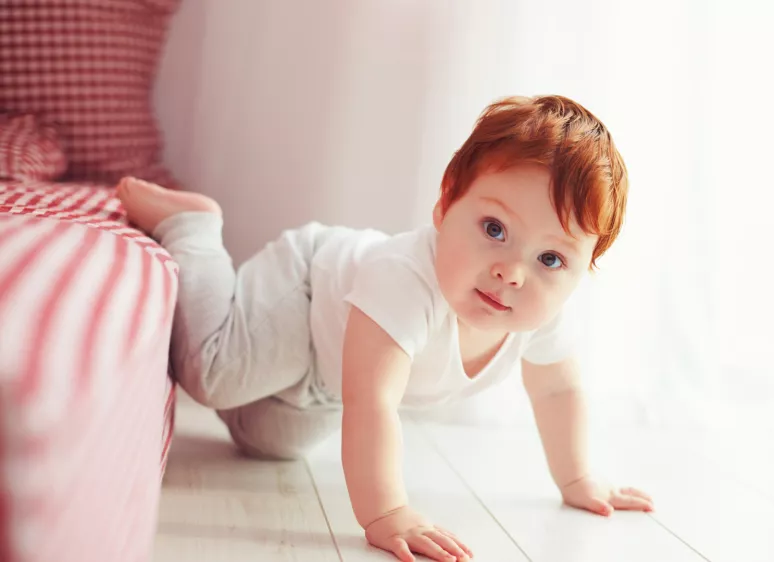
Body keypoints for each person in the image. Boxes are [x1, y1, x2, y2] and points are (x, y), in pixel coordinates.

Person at [118, 94, 653, 562]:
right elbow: (372, 401)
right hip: (305, 294)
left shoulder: (541, 319)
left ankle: (264, 377)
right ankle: (193, 227)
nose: (512, 272)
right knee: (215, 374)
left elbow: (558, 389)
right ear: (446, 202)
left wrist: (578, 479)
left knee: (271, 442)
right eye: (494, 229)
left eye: (551, 260)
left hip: (327, 376)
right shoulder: (402, 280)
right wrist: (387, 512)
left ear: (585, 270)